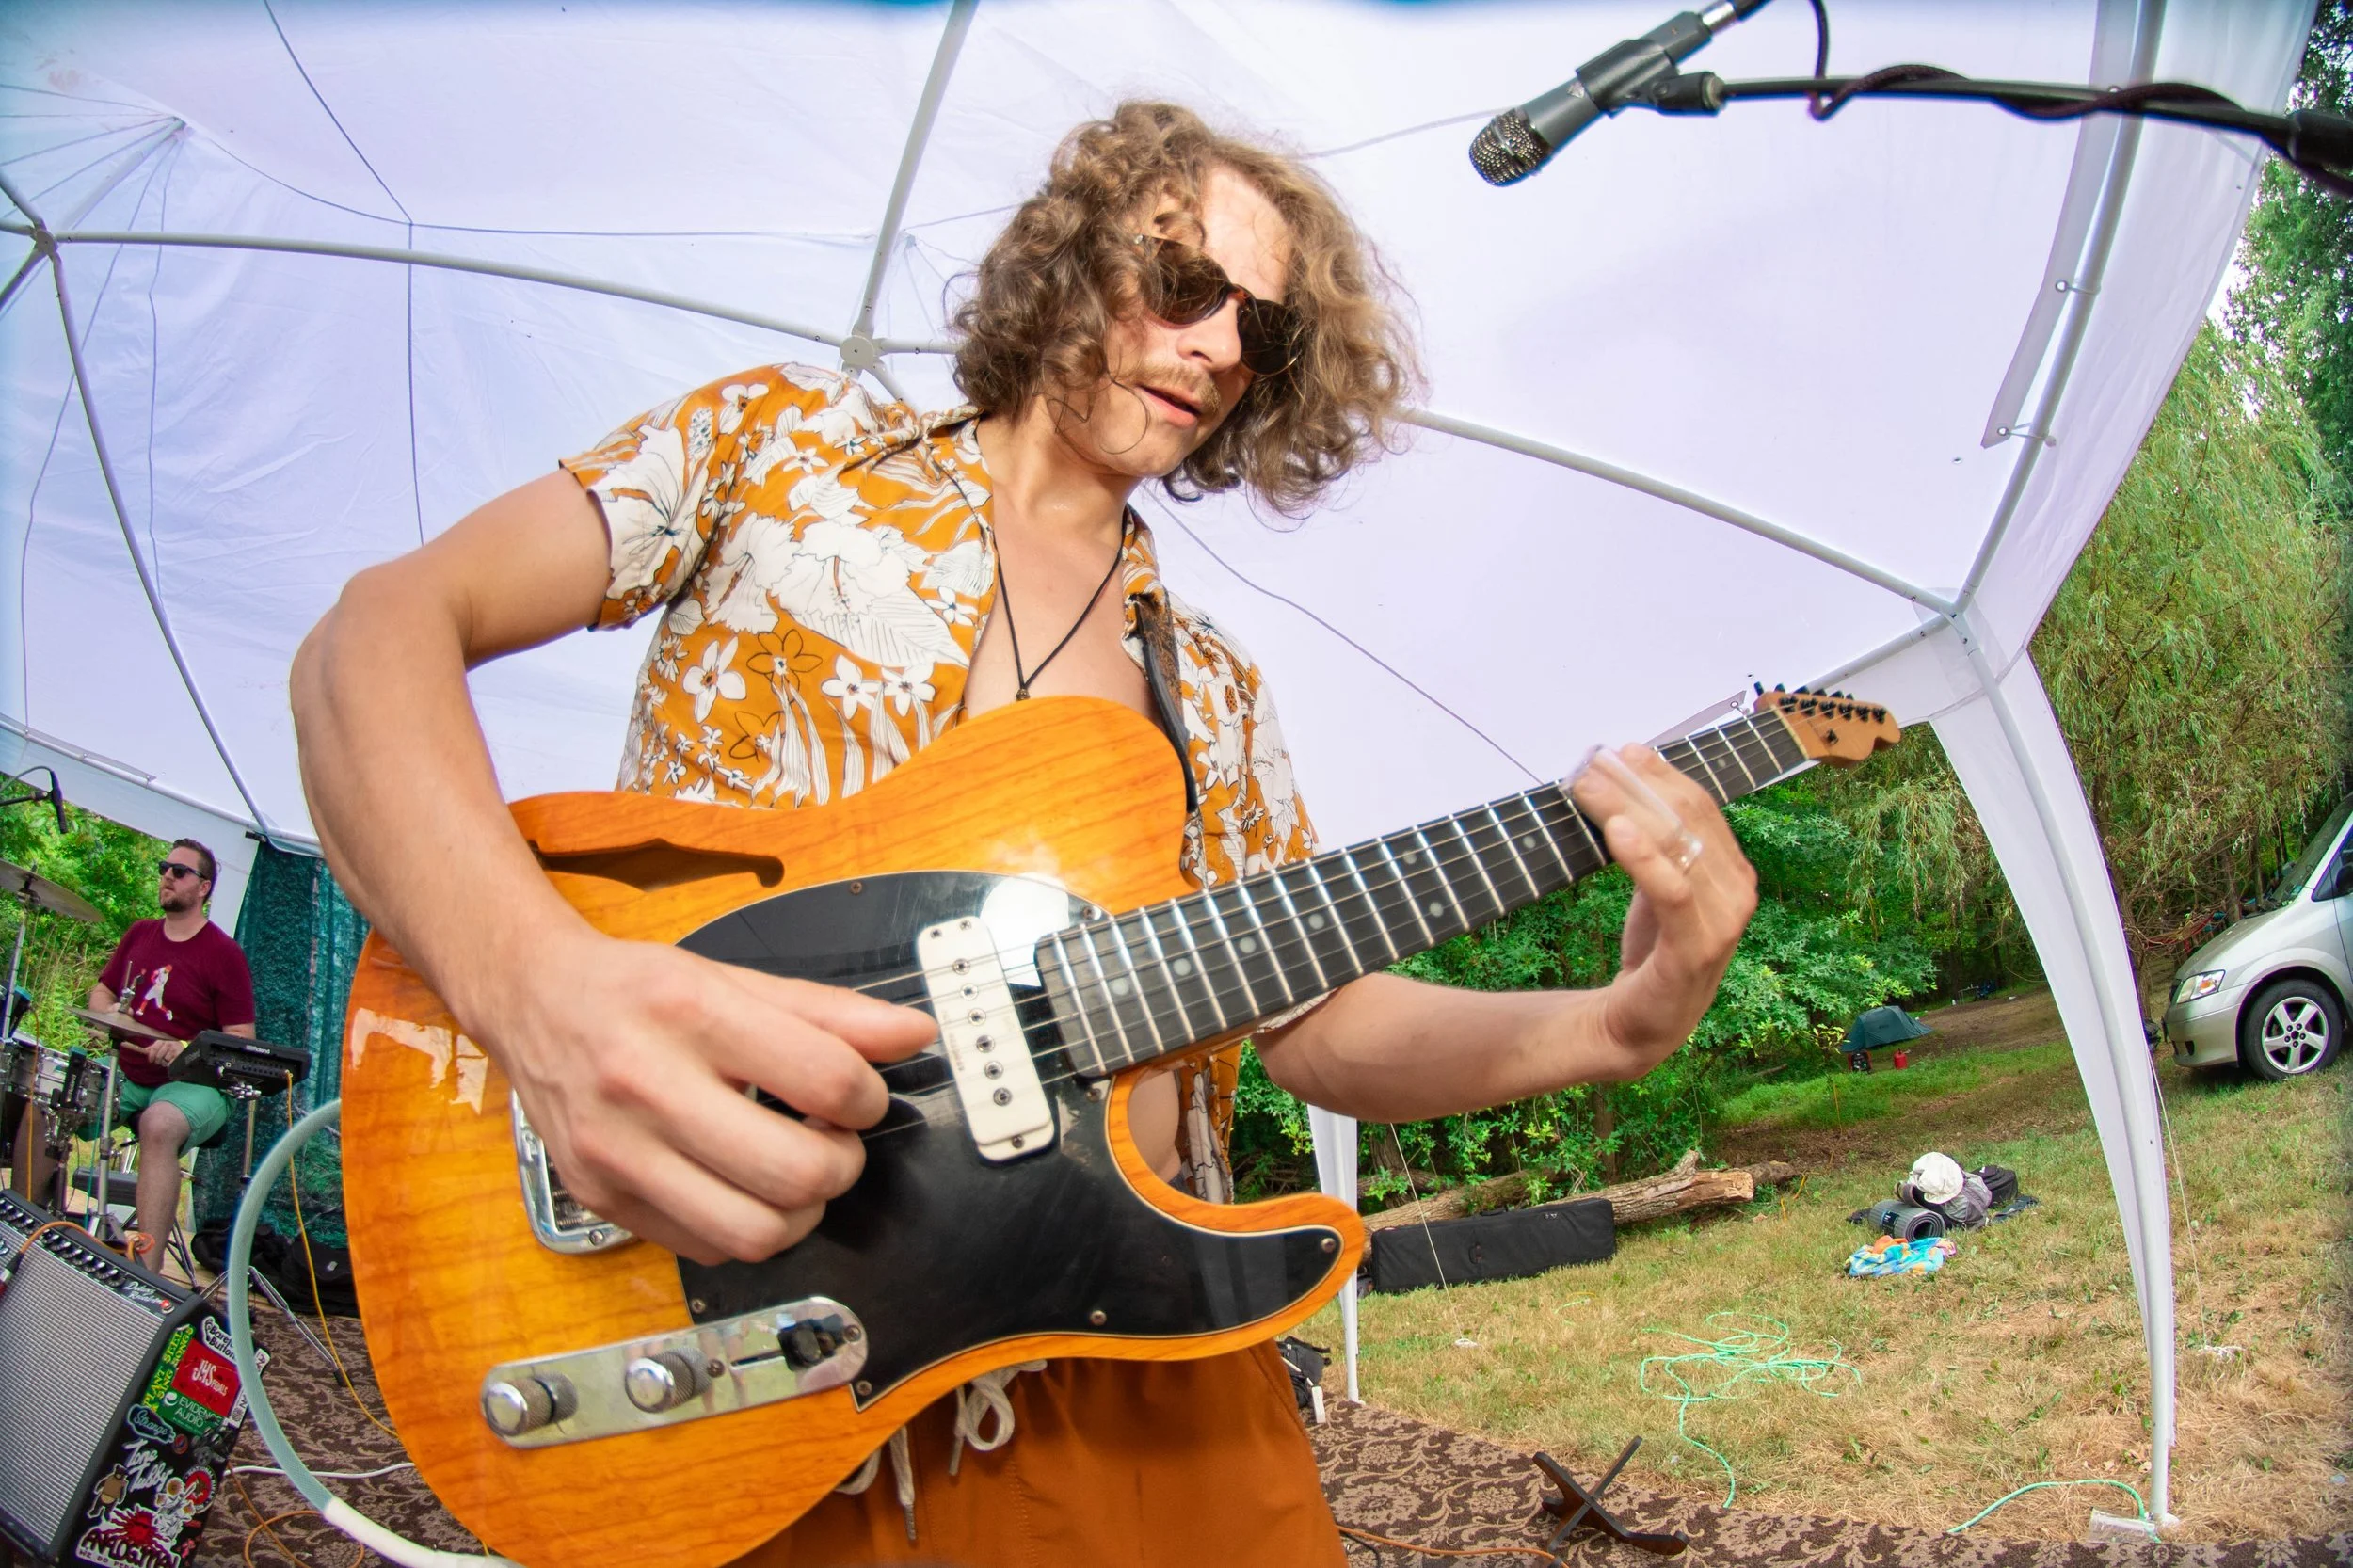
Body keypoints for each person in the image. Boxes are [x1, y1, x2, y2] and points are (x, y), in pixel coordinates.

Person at [290, 102, 1758, 1564]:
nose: (1221, 349)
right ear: (1071, 257)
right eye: (1185, 286)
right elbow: (377, 635)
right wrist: (539, 993)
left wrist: (1618, 1024)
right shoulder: (773, 448)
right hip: (739, 1367)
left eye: (1265, 332)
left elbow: (1312, 1021)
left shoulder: (1216, 694)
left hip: (1135, 1377)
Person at [10, 839, 256, 1258]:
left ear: (204, 888)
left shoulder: (224, 953)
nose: (167, 875)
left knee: (158, 1124)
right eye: (165, 867)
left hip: (191, 1084)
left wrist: (181, 1047)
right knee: (49, 1102)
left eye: (180, 871)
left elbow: (241, 1037)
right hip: (126, 1072)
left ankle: (148, 1268)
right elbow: (103, 990)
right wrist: (108, 1014)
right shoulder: (140, 933)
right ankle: (18, 1233)